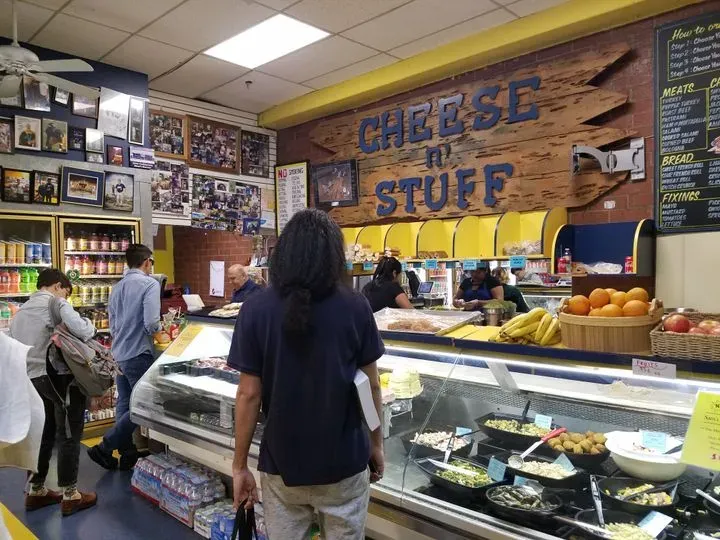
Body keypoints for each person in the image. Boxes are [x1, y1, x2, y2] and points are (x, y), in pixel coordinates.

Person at [229, 209, 385, 540]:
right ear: (334, 256)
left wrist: (239, 465)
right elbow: (371, 386)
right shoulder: (356, 305)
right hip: (345, 463)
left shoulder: (255, 308)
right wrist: (376, 444)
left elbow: (248, 394)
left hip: (282, 464)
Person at [9, 268, 97, 516]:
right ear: (58, 286)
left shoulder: (20, 312)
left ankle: (36, 490)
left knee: (43, 432)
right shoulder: (57, 304)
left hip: (33, 379)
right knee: (68, 432)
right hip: (59, 378)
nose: (65, 297)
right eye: (66, 292)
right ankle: (71, 495)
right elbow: (83, 331)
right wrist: (89, 323)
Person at [87, 244, 160, 471]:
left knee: (125, 402)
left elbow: (113, 323)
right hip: (139, 352)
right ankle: (104, 447)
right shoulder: (150, 284)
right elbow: (151, 323)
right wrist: (162, 331)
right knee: (144, 404)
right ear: (147, 261)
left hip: (118, 353)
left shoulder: (117, 287)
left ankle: (127, 453)